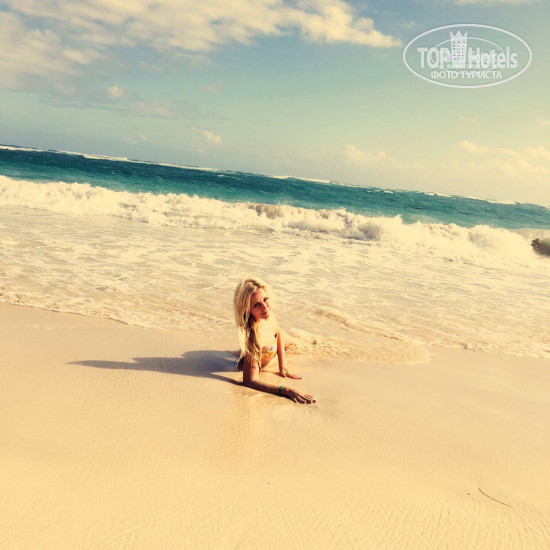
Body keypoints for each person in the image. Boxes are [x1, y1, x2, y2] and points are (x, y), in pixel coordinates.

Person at [233, 276, 316, 404]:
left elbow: (278, 333)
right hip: (266, 350)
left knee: (301, 343)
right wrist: (286, 390)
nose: (265, 308)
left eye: (265, 299)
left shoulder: (267, 315)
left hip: (274, 345)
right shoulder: (253, 338)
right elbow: (250, 381)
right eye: (256, 305)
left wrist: (283, 366)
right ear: (247, 310)